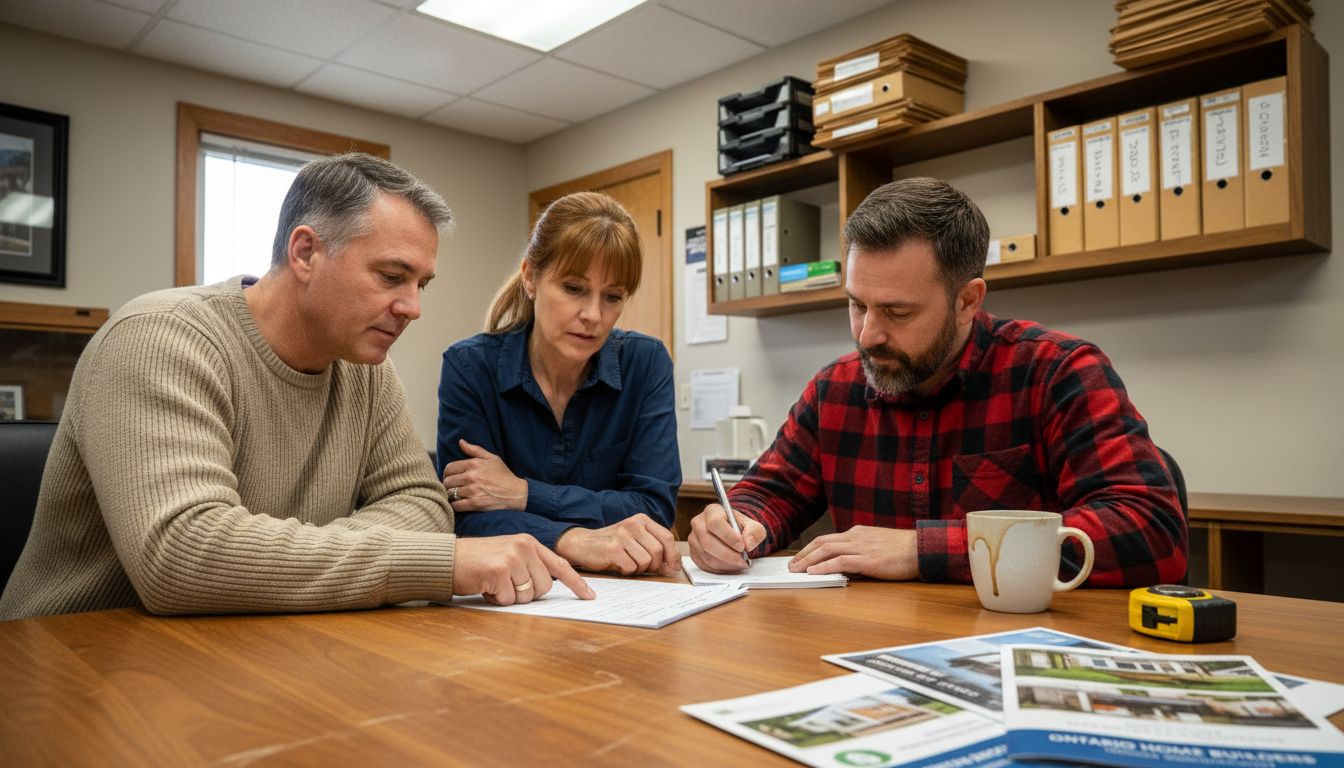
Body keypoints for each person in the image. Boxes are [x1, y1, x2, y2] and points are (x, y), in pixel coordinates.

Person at [0, 153, 593, 620]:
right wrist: (434, 565)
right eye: (392, 276)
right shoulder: (159, 339)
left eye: (422, 284)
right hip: (74, 658)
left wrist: (270, 559)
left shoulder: (366, 370)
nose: (412, 307)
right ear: (306, 251)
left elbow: (422, 506)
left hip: (253, 639)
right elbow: (182, 555)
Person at [688, 177, 1186, 587]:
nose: (868, 334)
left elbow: (1150, 531)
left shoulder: (1058, 372)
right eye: (857, 304)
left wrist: (921, 549)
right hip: (861, 653)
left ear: (967, 300)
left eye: (898, 312)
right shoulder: (833, 391)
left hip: (1005, 652)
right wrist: (736, 526)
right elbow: (770, 492)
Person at [436, 191, 682, 577]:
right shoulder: (470, 367)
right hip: (511, 592)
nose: (593, 315)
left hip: (624, 590)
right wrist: (575, 540)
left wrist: (522, 494)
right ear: (530, 277)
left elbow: (653, 507)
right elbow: (467, 518)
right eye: (573, 288)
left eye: (612, 296)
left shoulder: (645, 363)